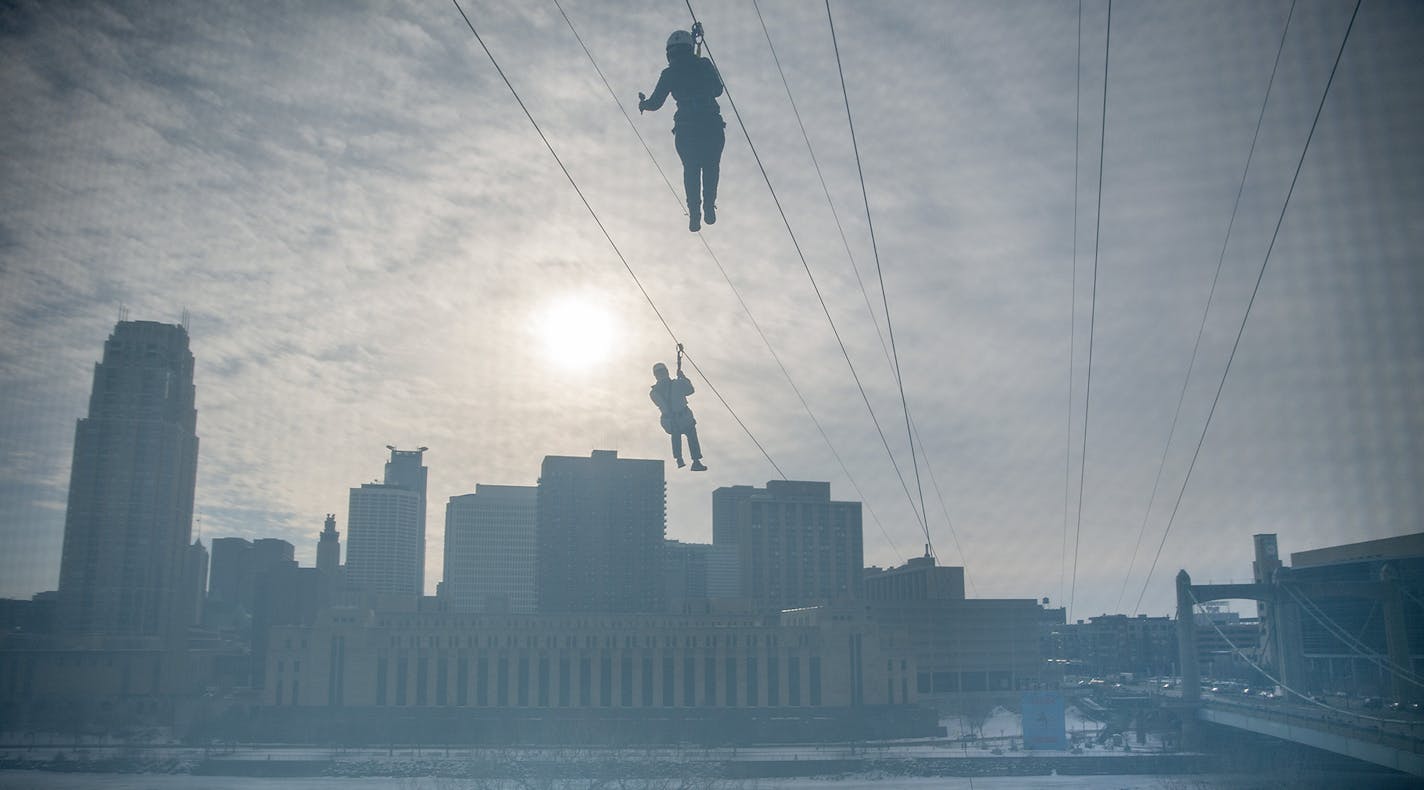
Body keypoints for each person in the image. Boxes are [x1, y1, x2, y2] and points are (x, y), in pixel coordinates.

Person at [638, 28, 726, 232]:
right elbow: (718, 90)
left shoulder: (669, 73)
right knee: (711, 165)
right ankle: (708, 206)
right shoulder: (702, 64)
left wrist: (644, 104)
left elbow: (656, 102)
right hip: (710, 124)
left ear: (670, 53)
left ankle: (695, 213)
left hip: (687, 128)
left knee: (691, 169)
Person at [650, 361, 706, 471]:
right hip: (682, 418)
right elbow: (690, 390)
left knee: (676, 434)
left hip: (670, 421)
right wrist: (683, 378)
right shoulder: (677, 384)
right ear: (666, 372)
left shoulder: (653, 393)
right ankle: (695, 461)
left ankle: (679, 459)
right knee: (691, 434)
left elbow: (661, 403)